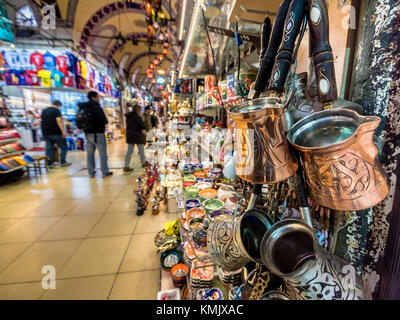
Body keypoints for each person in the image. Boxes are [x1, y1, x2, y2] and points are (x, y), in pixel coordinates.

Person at [78, 91, 113, 178]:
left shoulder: (83, 107)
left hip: (88, 134)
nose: (98, 99)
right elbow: (104, 120)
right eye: (97, 97)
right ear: (93, 97)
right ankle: (105, 171)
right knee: (102, 153)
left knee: (90, 154)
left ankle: (91, 172)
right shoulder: (96, 107)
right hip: (99, 133)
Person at [41, 101, 70, 168]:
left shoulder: (44, 111)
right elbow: (59, 121)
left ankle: (50, 164)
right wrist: (63, 131)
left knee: (49, 148)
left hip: (46, 133)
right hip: (56, 132)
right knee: (63, 147)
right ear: (58, 105)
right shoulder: (56, 110)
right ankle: (63, 162)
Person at [123, 103, 147, 173]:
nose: (141, 111)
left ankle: (126, 166)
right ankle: (143, 163)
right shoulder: (137, 117)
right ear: (137, 110)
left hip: (130, 135)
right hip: (137, 135)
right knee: (141, 151)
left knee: (129, 152)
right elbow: (143, 126)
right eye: (140, 110)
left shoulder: (129, 117)